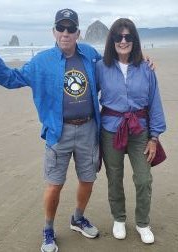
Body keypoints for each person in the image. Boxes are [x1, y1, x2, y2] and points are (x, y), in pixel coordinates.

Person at [0, 9, 101, 252]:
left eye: (71, 29)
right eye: (61, 28)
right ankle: (48, 229)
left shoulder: (91, 55)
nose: (65, 33)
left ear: (78, 33)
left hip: (89, 129)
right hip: (57, 132)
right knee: (54, 184)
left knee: (88, 179)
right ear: (53, 31)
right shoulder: (41, 62)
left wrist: (139, 61)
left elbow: (114, 69)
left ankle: (78, 218)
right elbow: (10, 78)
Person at [96, 18, 166, 244]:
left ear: (134, 40)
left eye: (128, 36)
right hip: (110, 130)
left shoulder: (146, 68)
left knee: (144, 179)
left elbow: (154, 102)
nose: (123, 41)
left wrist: (154, 137)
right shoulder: (100, 67)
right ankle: (119, 218)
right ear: (112, 40)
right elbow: (86, 96)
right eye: (118, 36)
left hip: (140, 131)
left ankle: (142, 222)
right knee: (114, 176)